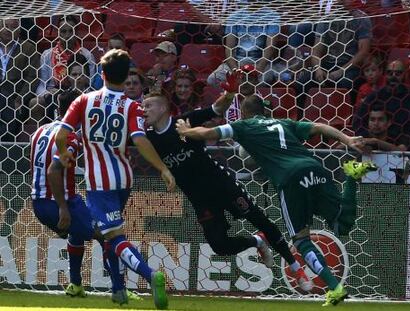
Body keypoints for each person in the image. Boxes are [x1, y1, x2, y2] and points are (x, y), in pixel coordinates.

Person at [175, 94, 378, 306]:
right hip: (314, 168)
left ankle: (336, 289)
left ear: (244, 113)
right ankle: (351, 176)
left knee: (301, 240)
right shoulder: (284, 122)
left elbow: (208, 132)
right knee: (341, 223)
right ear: (264, 111)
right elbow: (319, 126)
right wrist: (347, 139)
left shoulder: (242, 126)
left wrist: (185, 131)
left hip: (290, 178)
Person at [142, 71, 313, 292]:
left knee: (258, 218)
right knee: (219, 245)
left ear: (163, 108)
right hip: (200, 199)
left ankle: (295, 267)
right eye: (143, 107)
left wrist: (231, 92)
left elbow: (216, 109)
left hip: (222, 185)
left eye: (149, 106)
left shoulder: (184, 122)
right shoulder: (147, 138)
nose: (144, 110)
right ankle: (257, 242)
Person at [54, 49, 175, 309]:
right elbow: (140, 140)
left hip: (99, 181)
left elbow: (61, 135)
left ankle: (149, 274)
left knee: (114, 237)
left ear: (102, 74)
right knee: (111, 234)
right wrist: (163, 168)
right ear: (125, 76)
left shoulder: (83, 101)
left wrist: (64, 155)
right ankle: (118, 290)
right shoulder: (132, 106)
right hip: (124, 177)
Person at [30, 89, 141, 302]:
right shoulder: (70, 137)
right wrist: (62, 207)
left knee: (79, 230)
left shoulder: (39, 131)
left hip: (39, 201)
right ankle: (119, 289)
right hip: (59, 202)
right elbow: (54, 171)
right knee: (106, 233)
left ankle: (75, 284)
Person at [30, 15, 95, 123]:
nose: (67, 35)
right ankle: (40, 136)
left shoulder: (87, 55)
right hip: (53, 94)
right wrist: (47, 94)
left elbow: (90, 84)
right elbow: (41, 85)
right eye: (63, 31)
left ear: (76, 33)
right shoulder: (47, 55)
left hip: (79, 93)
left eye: (71, 31)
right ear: (58, 33)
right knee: (35, 103)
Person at [207, 4, 280, 87]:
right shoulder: (234, 16)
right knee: (213, 79)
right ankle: (231, 98)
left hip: (260, 63)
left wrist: (259, 69)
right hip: (237, 62)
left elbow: (270, 47)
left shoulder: (272, 16)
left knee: (261, 81)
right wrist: (235, 69)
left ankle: (251, 99)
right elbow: (229, 48)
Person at [0, 18, 39, 141]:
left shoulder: (28, 48)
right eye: (5, 26)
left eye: (13, 27)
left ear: (20, 29)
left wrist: (20, 99)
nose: (8, 30)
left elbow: (32, 78)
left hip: (14, 99)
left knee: (9, 114)